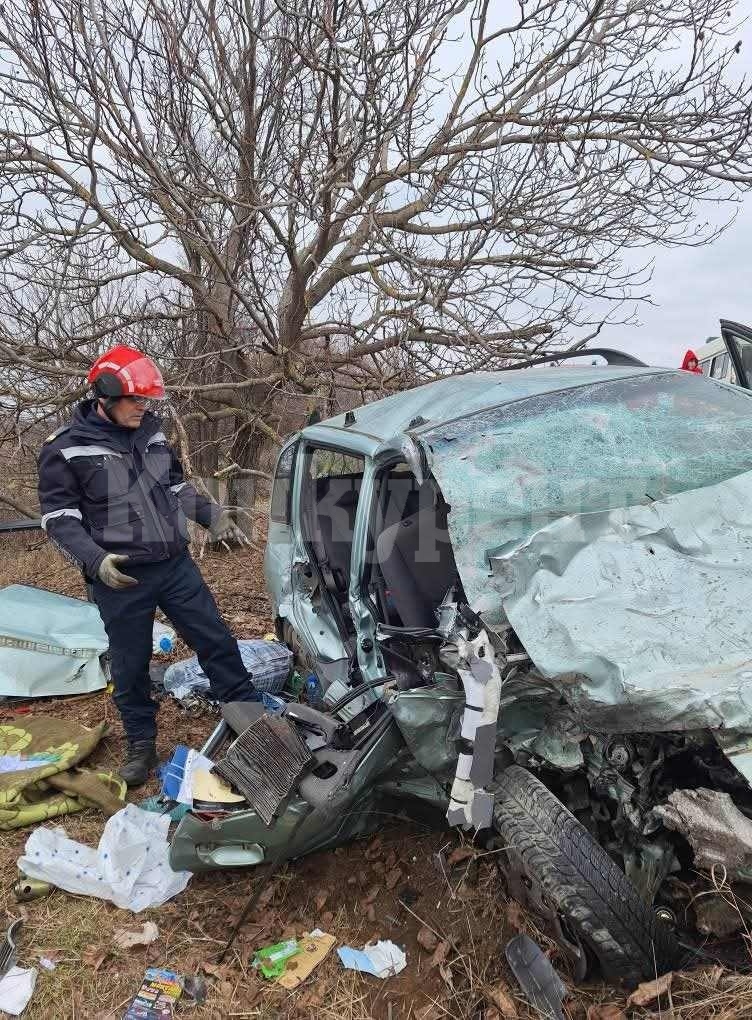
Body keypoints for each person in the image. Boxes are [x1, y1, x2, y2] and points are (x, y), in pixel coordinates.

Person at [37, 345, 259, 786]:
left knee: (214, 637)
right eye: (135, 399)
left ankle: (248, 714)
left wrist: (212, 516)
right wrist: (95, 560)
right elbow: (59, 518)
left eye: (146, 400)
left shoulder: (152, 434)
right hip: (120, 577)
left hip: (174, 565)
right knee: (131, 662)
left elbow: (175, 488)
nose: (143, 407)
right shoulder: (67, 449)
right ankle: (141, 741)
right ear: (104, 396)